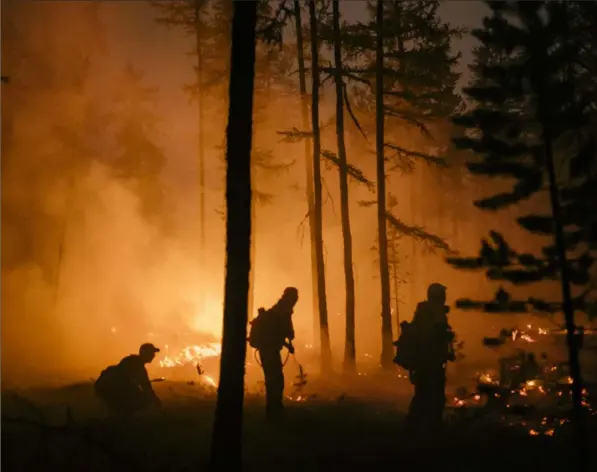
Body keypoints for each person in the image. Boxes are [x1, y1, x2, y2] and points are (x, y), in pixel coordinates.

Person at [406, 283, 455, 432]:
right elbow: (429, 339)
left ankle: (425, 426)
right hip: (428, 364)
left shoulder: (431, 312)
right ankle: (419, 427)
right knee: (427, 396)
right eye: (442, 295)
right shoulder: (429, 314)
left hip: (430, 363)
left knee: (428, 396)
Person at [249, 287, 298, 421]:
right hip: (270, 350)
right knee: (275, 381)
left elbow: (277, 334)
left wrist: (287, 345)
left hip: (267, 349)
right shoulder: (284, 311)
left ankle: (273, 411)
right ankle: (274, 412)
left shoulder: (277, 310)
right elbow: (289, 333)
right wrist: (288, 341)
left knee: (272, 380)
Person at [95, 343, 162, 416]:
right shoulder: (137, 366)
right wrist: (156, 401)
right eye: (151, 353)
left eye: (153, 353)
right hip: (114, 391)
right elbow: (146, 387)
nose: (153, 355)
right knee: (144, 400)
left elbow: (145, 385)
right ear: (144, 353)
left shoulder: (131, 361)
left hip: (108, 390)